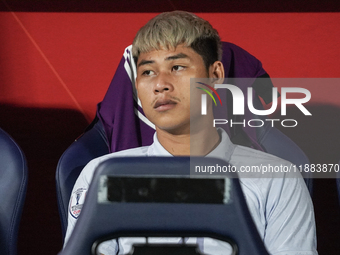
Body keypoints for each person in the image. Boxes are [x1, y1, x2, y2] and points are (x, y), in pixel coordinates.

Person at [64, 11, 318, 255]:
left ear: (215, 74)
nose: (160, 84)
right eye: (147, 72)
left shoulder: (279, 179)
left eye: (177, 67)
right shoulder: (100, 175)